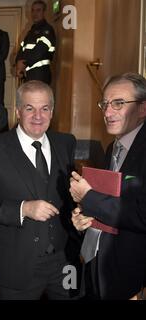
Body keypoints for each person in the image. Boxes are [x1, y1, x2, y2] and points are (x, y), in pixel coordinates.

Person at [0, 80, 81, 299]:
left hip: (64, 263)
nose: (38, 116)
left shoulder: (66, 143)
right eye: (30, 108)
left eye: (44, 108)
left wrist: (79, 210)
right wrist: (23, 209)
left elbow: (70, 195)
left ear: (52, 112)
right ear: (17, 111)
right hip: (17, 265)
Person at [70, 73, 146, 300]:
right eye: (105, 104)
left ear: (142, 109)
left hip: (131, 279)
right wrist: (84, 217)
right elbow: (111, 204)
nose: (107, 112)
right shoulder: (112, 147)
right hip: (98, 267)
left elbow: (142, 214)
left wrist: (88, 197)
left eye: (119, 104)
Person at [15, 0, 56, 85]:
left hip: (40, 74)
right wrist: (18, 63)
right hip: (28, 74)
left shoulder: (47, 29)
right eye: (33, 10)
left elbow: (40, 50)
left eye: (38, 10)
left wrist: (24, 63)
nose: (34, 13)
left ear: (44, 12)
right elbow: (22, 48)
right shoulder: (31, 31)